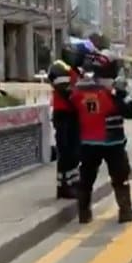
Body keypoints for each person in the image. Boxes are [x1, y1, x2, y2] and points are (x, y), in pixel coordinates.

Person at [69, 53, 132, 225]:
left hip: (88, 141)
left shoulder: (81, 87)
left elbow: (74, 106)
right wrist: (124, 95)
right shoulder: (114, 90)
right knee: (120, 176)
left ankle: (84, 214)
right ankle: (125, 211)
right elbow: (129, 111)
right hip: (112, 141)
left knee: (86, 179)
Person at [47, 53, 81, 199]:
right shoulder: (60, 67)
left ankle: (73, 182)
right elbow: (66, 91)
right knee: (66, 151)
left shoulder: (75, 71)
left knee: (74, 151)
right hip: (63, 114)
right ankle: (64, 187)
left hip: (73, 114)